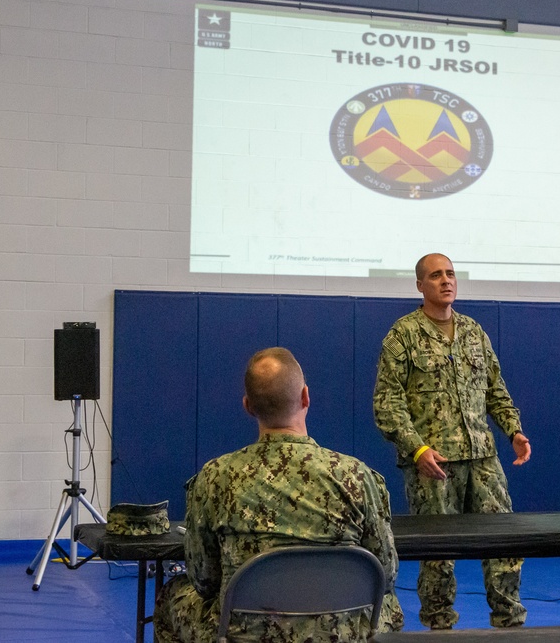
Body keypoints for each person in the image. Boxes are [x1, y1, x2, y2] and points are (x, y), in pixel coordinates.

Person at [154, 347, 404, 642]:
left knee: (172, 593)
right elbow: (385, 573)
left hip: (243, 634)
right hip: (340, 631)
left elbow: (203, 580)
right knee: (390, 604)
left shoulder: (215, 477)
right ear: (306, 397)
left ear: (248, 406)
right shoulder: (356, 475)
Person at [372, 253, 532, 630]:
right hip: (434, 464)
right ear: (420, 286)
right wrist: (418, 448)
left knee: (504, 546)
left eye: (450, 274)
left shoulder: (474, 332)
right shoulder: (403, 335)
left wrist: (514, 430)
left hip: (483, 458)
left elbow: (496, 390)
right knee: (438, 557)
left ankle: (510, 623)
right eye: (435, 275)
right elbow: (386, 403)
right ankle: (439, 627)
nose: (446, 280)